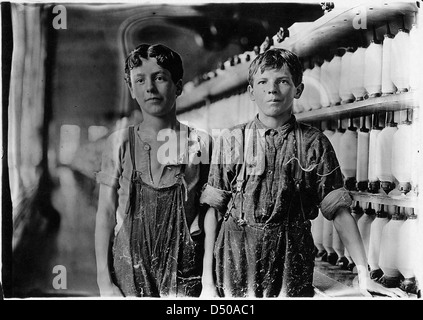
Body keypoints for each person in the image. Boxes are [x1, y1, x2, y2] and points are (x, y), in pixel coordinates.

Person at [199, 48, 407, 298]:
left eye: (283, 81)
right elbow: (213, 211)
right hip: (235, 260)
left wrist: (364, 276)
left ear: (298, 89)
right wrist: (208, 284)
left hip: (291, 261)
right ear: (251, 91)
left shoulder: (314, 144)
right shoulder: (231, 141)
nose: (272, 89)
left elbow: (338, 211)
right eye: (263, 82)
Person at [95, 43, 211, 297]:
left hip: (184, 269)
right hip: (129, 268)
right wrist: (104, 282)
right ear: (131, 89)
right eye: (140, 80)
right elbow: (105, 211)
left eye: (160, 77)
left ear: (178, 86)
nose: (150, 87)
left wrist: (210, 281)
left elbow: (210, 214)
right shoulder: (120, 142)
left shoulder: (200, 142)